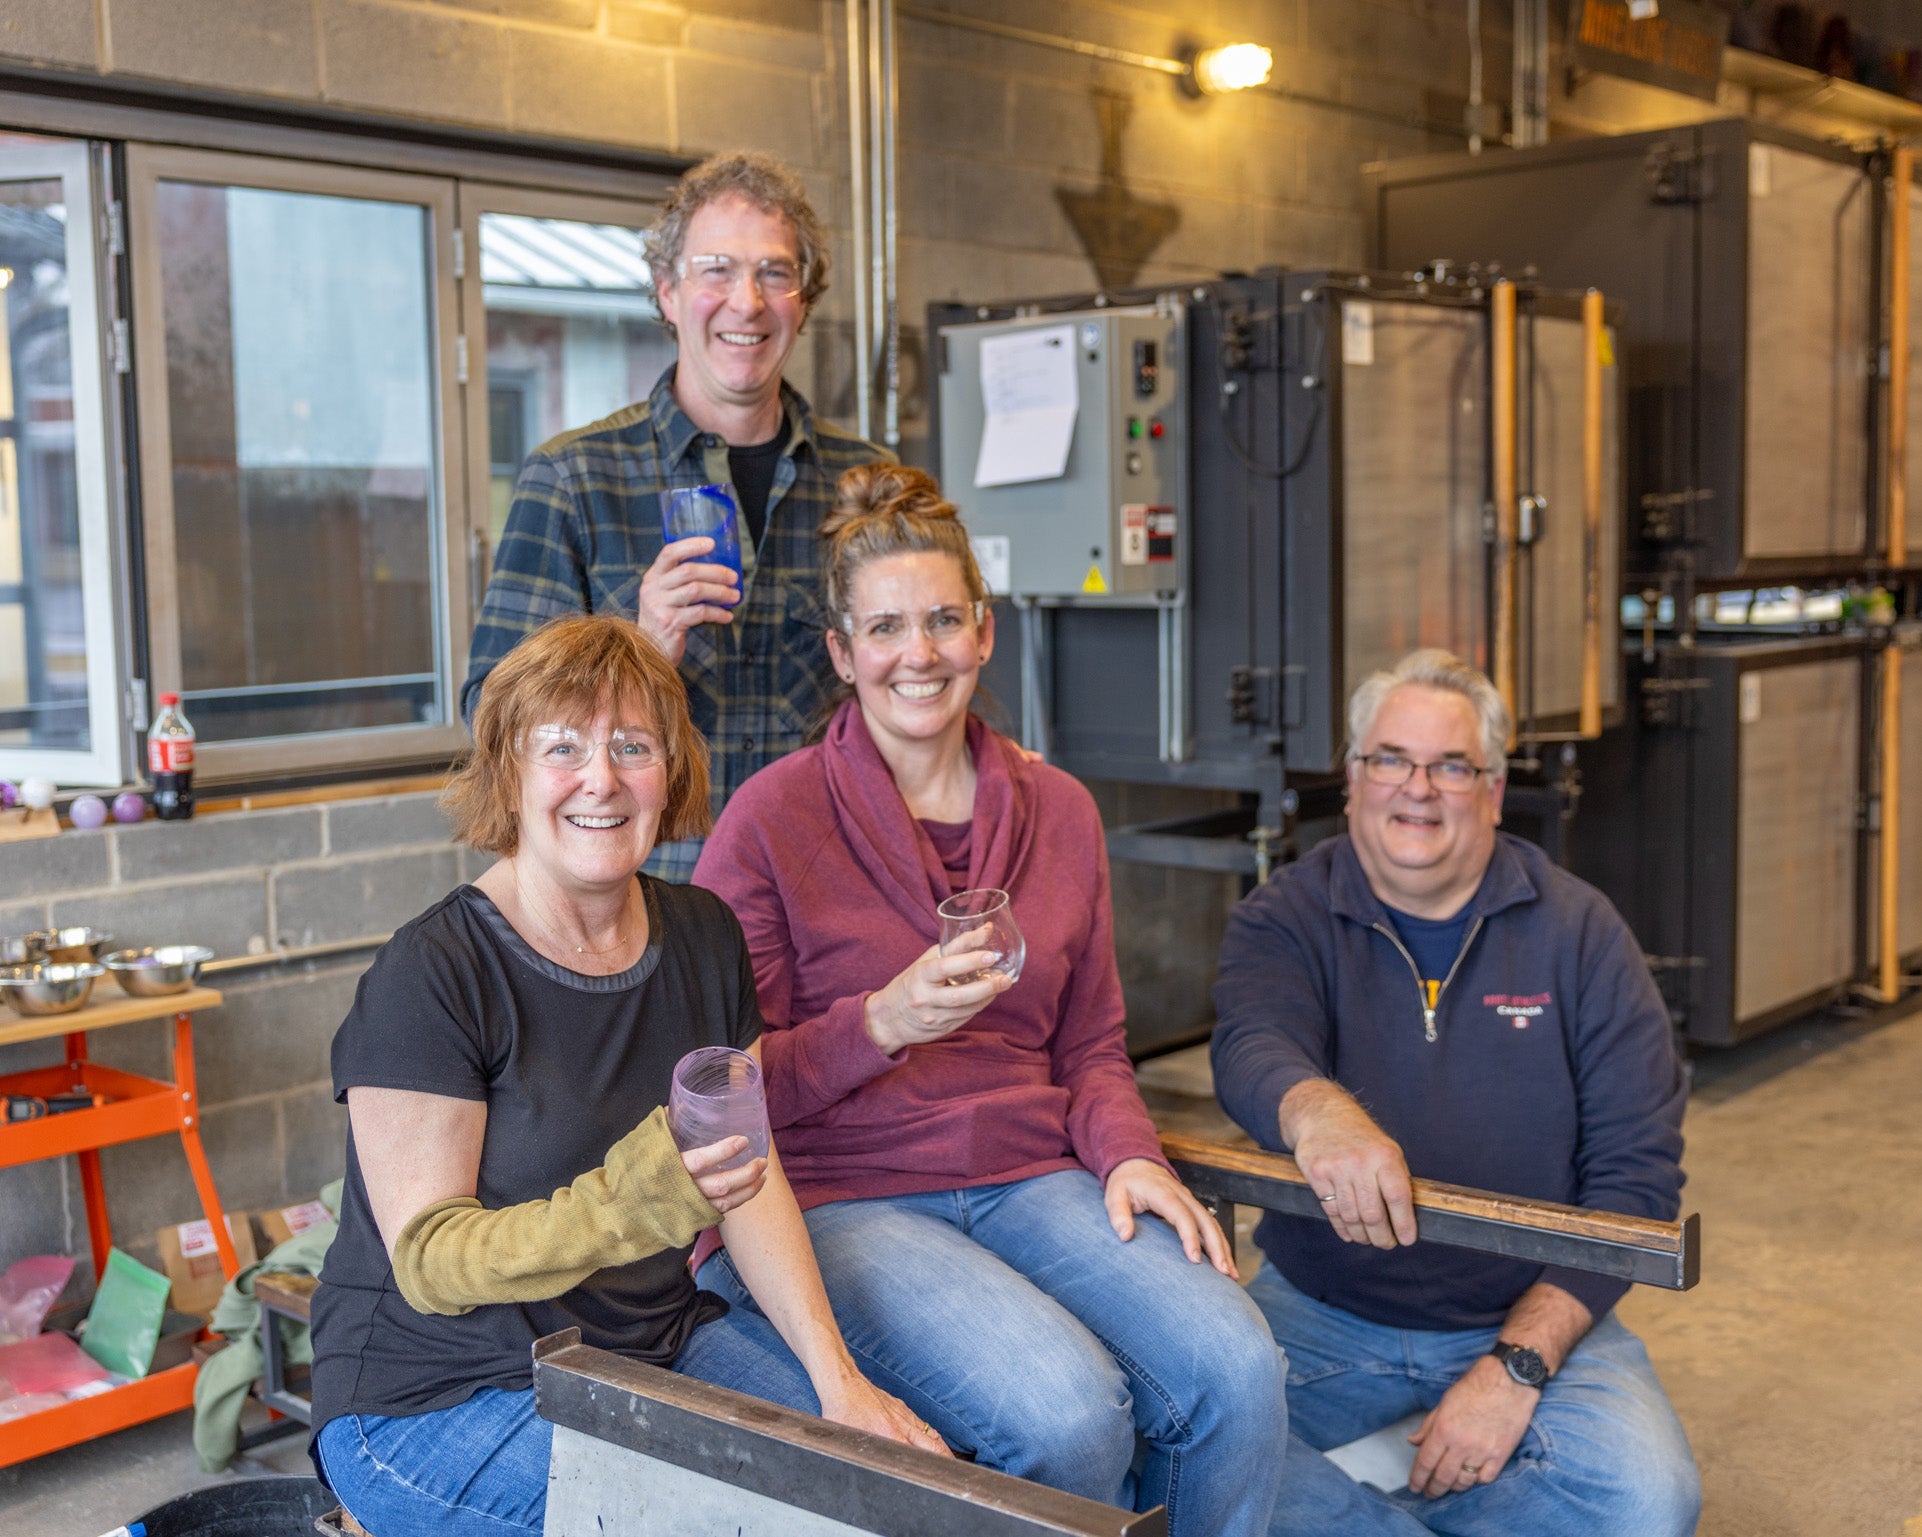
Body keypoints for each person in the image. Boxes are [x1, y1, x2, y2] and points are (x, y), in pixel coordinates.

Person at [691, 465, 1287, 1537]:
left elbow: (1093, 1042)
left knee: (1237, 1367)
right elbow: (721, 1091)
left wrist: (1132, 1156)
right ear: (841, 653)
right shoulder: (769, 818)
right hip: (846, 1193)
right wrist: (880, 1024)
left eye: (940, 621)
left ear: (983, 631)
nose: (916, 655)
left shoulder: (1057, 809)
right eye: (883, 628)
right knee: (1067, 1414)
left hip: (1027, 1171)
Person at [310, 613, 944, 1537]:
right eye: (561, 746)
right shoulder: (432, 973)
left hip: (647, 1343)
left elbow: (748, 1182)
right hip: (434, 1391)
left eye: (632, 745)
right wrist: (634, 1200)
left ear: (671, 771)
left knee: (877, 1492)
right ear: (510, 775)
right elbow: (430, 1262)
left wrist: (838, 1383)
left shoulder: (704, 934)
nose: (600, 777)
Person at [1211, 648, 1701, 1537]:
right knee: (1177, 1455)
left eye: (1451, 766)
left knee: (1645, 1501)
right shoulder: (1286, 913)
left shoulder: (1581, 933)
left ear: (1495, 787)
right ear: (1354, 779)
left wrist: (1514, 1367)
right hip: (1323, 1314)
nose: (1417, 789)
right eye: (1391, 759)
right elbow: (1252, 1041)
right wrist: (1318, 1110)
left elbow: (1635, 1182)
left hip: (1527, 1312)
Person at [462, 151, 883, 879]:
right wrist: (637, 645)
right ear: (666, 293)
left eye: (775, 273)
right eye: (715, 269)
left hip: (829, 895)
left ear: (804, 301)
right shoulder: (572, 478)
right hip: (648, 902)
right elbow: (491, 719)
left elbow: (912, 683)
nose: (747, 300)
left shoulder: (866, 484)